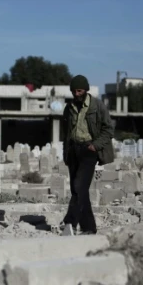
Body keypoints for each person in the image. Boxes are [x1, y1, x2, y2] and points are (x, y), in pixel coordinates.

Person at [62, 74, 114, 235]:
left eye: (79, 91)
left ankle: (69, 222)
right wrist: (67, 151)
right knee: (78, 190)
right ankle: (89, 227)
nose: (76, 94)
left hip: (88, 150)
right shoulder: (68, 108)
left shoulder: (97, 106)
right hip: (73, 150)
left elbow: (108, 129)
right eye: (73, 91)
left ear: (85, 90)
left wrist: (95, 146)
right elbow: (66, 131)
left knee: (80, 186)